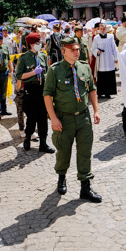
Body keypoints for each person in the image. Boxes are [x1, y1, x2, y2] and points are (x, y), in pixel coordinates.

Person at [43, 37, 102, 203]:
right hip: (64, 118)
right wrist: (53, 118)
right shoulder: (54, 70)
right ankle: (61, 177)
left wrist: (96, 110)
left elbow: (92, 89)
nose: (77, 52)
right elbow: (47, 95)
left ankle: (85, 187)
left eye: (77, 49)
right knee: (63, 150)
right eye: (73, 50)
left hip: (83, 117)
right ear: (63, 52)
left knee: (85, 152)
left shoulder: (84, 67)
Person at [16, 32, 55, 153]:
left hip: (42, 89)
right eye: (38, 42)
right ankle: (28, 137)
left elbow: (47, 72)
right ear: (32, 44)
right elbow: (19, 75)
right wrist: (33, 73)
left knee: (43, 117)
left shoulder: (43, 56)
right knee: (32, 116)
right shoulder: (23, 58)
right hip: (30, 89)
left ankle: (43, 143)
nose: (40, 44)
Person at [91, 22, 119, 98]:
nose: (103, 30)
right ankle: (100, 93)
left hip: (109, 58)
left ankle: (108, 92)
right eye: (101, 29)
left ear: (106, 29)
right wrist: (97, 51)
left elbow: (114, 47)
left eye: (104, 29)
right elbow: (93, 48)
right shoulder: (96, 38)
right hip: (101, 59)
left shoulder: (110, 36)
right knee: (101, 76)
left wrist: (116, 57)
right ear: (99, 29)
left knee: (109, 75)